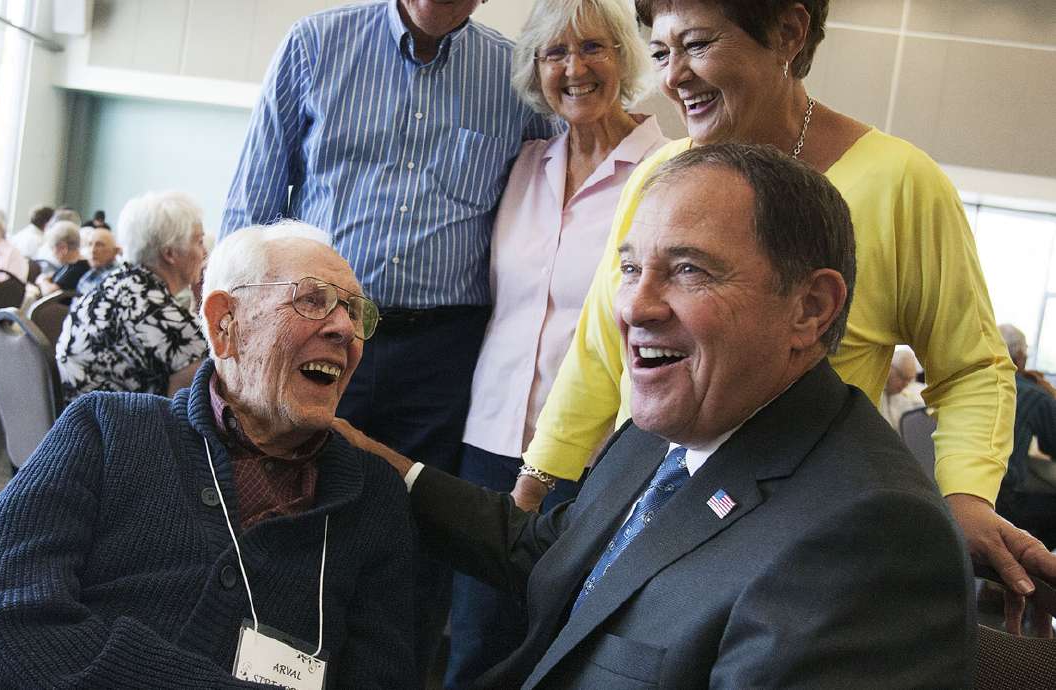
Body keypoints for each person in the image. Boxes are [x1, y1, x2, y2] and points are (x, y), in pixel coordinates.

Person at [345, 144, 976, 688]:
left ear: (810, 308)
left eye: (687, 270)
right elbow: (550, 553)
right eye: (629, 269)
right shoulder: (665, 435)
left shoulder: (873, 539)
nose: (634, 307)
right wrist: (359, 455)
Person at [513, 0, 1056, 598]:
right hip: (645, 514)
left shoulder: (900, 183)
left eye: (697, 45)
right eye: (663, 53)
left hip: (791, 538)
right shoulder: (661, 175)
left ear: (789, 33)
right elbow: (601, 348)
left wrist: (967, 497)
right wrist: (538, 478)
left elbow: (971, 367)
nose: (671, 77)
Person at [0, 222, 416, 688]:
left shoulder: (372, 499)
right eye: (313, 300)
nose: (345, 331)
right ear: (224, 324)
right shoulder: (105, 431)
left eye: (355, 312)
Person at [220, 0, 556, 672]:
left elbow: (563, 183)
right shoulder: (316, 45)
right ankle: (269, 673)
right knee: (291, 504)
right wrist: (234, 337)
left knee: (416, 528)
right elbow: (250, 204)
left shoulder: (515, 74)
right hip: (315, 329)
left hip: (445, 350)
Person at [448, 0, 666, 685]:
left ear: (625, 59)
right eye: (554, 53)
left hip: (594, 455)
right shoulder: (524, 166)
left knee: (563, 648)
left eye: (594, 48)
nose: (574, 68)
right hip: (490, 444)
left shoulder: (668, 173)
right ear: (535, 70)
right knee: (474, 644)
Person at [57, 191, 208, 401]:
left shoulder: (115, 285)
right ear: (170, 253)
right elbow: (189, 411)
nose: (205, 253)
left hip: (78, 423)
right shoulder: (159, 313)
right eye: (199, 242)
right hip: (114, 428)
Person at [996, 324, 1056, 548]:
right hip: (1005, 501)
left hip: (954, 493)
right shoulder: (1033, 393)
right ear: (1020, 357)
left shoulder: (970, 384)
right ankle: (1033, 568)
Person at [34, 220, 89, 293]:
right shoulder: (69, 264)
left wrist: (42, 281)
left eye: (52, 248)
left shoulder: (78, 269)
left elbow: (49, 292)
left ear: (63, 248)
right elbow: (53, 276)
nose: (53, 254)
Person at [71, 226, 121, 306]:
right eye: (90, 244)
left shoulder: (116, 278)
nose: (93, 250)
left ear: (115, 251)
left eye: (100, 245)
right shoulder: (88, 275)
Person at [878, 346, 925, 431]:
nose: (905, 385)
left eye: (909, 380)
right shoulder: (875, 393)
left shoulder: (904, 396)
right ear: (890, 368)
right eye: (902, 377)